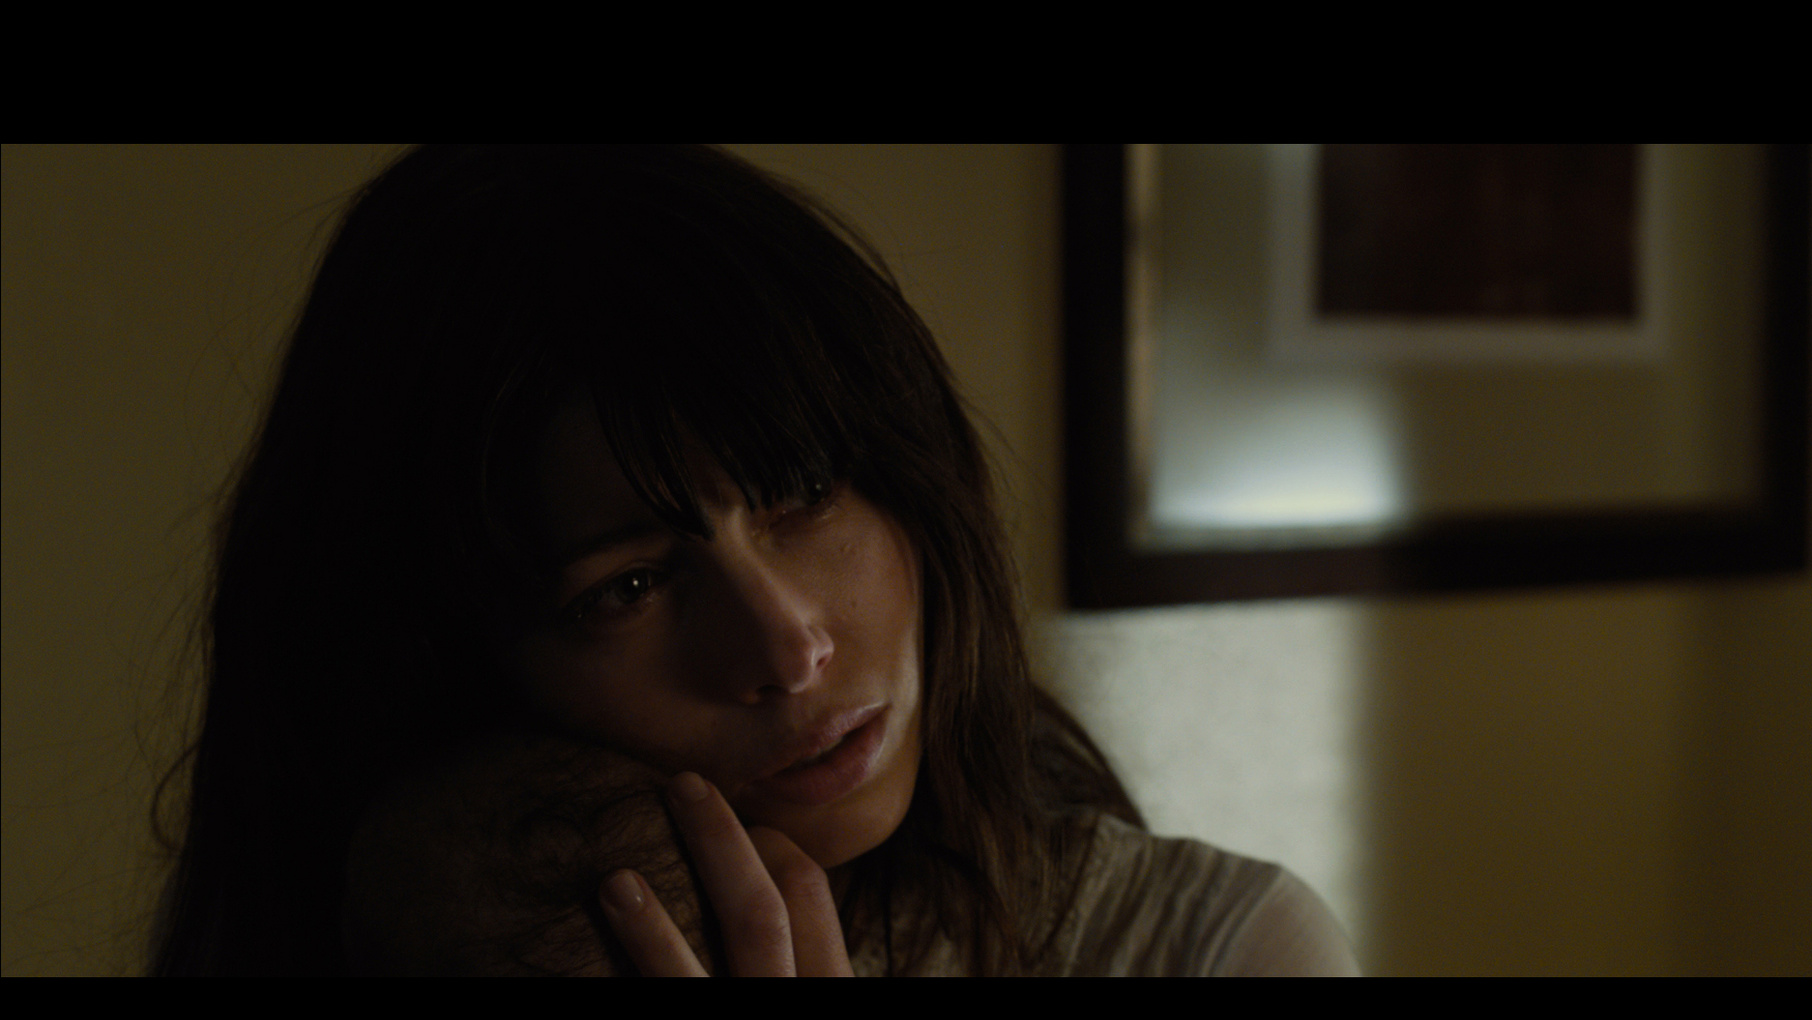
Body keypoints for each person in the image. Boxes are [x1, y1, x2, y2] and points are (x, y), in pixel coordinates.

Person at [150, 145, 1357, 976]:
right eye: (628, 587)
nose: (786, 644)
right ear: (449, 665)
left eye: (802, 492)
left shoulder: (1207, 948)